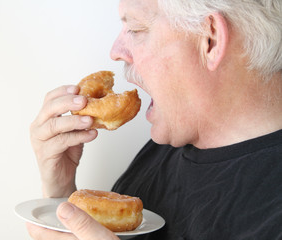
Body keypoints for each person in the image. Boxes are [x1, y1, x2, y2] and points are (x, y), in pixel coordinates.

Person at [26, 0, 282, 239]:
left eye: (136, 29)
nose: (115, 52)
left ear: (210, 40)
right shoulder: (162, 149)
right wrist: (60, 195)